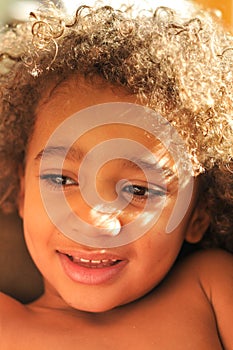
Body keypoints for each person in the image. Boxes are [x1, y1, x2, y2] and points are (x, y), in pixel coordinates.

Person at [0, 1, 232, 349]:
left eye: (138, 189)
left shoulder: (209, 286)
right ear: (20, 191)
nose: (95, 223)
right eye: (62, 180)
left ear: (198, 215)